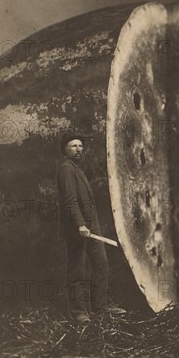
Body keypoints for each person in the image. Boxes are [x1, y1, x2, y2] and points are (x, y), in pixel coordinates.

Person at [57, 134, 126, 322]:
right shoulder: (66, 169)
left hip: (90, 227)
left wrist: (90, 225)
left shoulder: (77, 169)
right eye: (73, 146)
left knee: (101, 264)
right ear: (65, 150)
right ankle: (79, 312)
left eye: (80, 146)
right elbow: (70, 201)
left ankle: (100, 307)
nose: (78, 149)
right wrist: (80, 224)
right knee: (77, 269)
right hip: (77, 228)